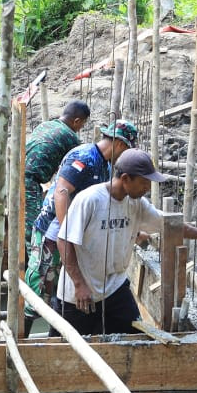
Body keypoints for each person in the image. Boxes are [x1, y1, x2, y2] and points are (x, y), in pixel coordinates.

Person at [56, 150, 197, 336]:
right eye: (144, 182)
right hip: (79, 293)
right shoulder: (90, 200)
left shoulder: (137, 204)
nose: (148, 188)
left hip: (114, 288)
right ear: (125, 178)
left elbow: (170, 225)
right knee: (67, 348)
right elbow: (64, 241)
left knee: (135, 338)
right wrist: (79, 284)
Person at [24, 119, 138, 316]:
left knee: (60, 290)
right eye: (127, 150)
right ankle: (24, 340)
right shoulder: (84, 156)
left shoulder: (107, 167)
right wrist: (68, 233)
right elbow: (61, 193)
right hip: (53, 232)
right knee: (39, 290)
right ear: (120, 144)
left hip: (74, 237)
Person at [23, 100, 92, 230]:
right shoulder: (70, 137)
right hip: (29, 182)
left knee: (21, 220)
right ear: (76, 121)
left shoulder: (45, 125)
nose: (80, 129)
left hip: (17, 173)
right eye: (82, 125)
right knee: (32, 228)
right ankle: (31, 250)